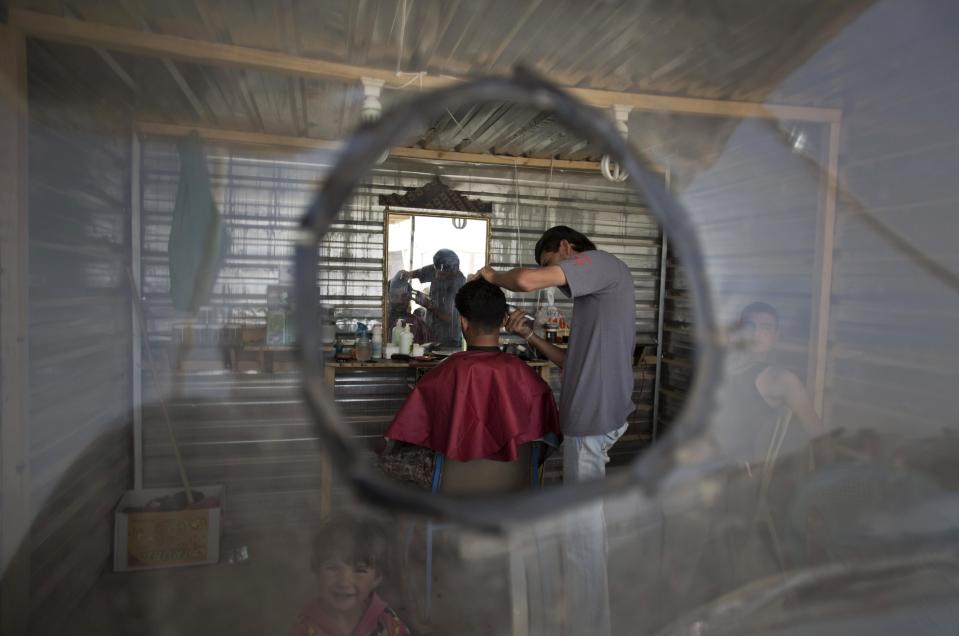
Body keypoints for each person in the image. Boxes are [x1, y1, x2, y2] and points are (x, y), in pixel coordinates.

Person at [474, 225, 635, 636]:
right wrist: (530, 335)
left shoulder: (600, 264)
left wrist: (492, 276)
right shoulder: (596, 295)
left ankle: (590, 627)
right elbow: (570, 363)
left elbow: (526, 280)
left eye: (551, 264)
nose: (553, 278)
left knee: (584, 537)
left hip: (593, 419)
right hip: (594, 417)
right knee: (581, 527)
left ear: (566, 247)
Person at [379, 278, 561, 488]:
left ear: (463, 322)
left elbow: (408, 434)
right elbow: (548, 440)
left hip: (451, 487)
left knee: (385, 458)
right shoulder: (530, 380)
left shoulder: (441, 376)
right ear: (504, 320)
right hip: (514, 491)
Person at [292, 515, 410, 636]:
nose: (344, 582)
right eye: (332, 568)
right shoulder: (305, 626)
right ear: (317, 571)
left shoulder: (388, 622)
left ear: (377, 578)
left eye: (359, 570)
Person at [399, 249, 466, 348]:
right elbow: (418, 273)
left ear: (453, 272)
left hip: (450, 340)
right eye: (437, 271)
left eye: (443, 274)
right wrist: (403, 276)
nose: (437, 275)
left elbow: (454, 319)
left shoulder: (459, 284)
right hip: (432, 332)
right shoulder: (436, 267)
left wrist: (429, 306)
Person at [385, 271, 431, 344]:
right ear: (388, 298)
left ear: (409, 298)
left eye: (404, 296)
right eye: (395, 296)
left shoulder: (419, 325)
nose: (400, 301)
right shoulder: (382, 324)